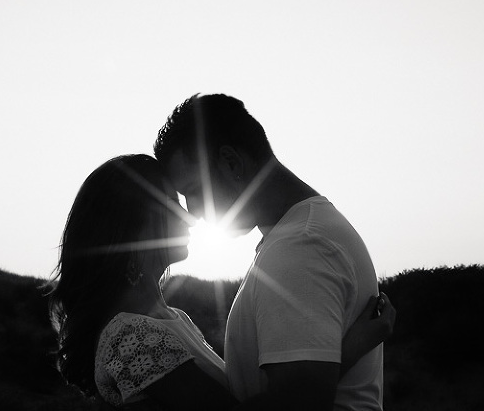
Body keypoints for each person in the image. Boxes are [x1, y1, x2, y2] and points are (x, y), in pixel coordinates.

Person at [47, 154, 394, 410]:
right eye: (171, 203)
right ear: (135, 225)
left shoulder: (173, 319)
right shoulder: (131, 336)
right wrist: (350, 348)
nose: (188, 216)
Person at [154, 93, 390, 411]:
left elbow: (300, 401)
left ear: (231, 162)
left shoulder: (299, 247)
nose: (192, 212)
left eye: (194, 191)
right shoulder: (300, 233)